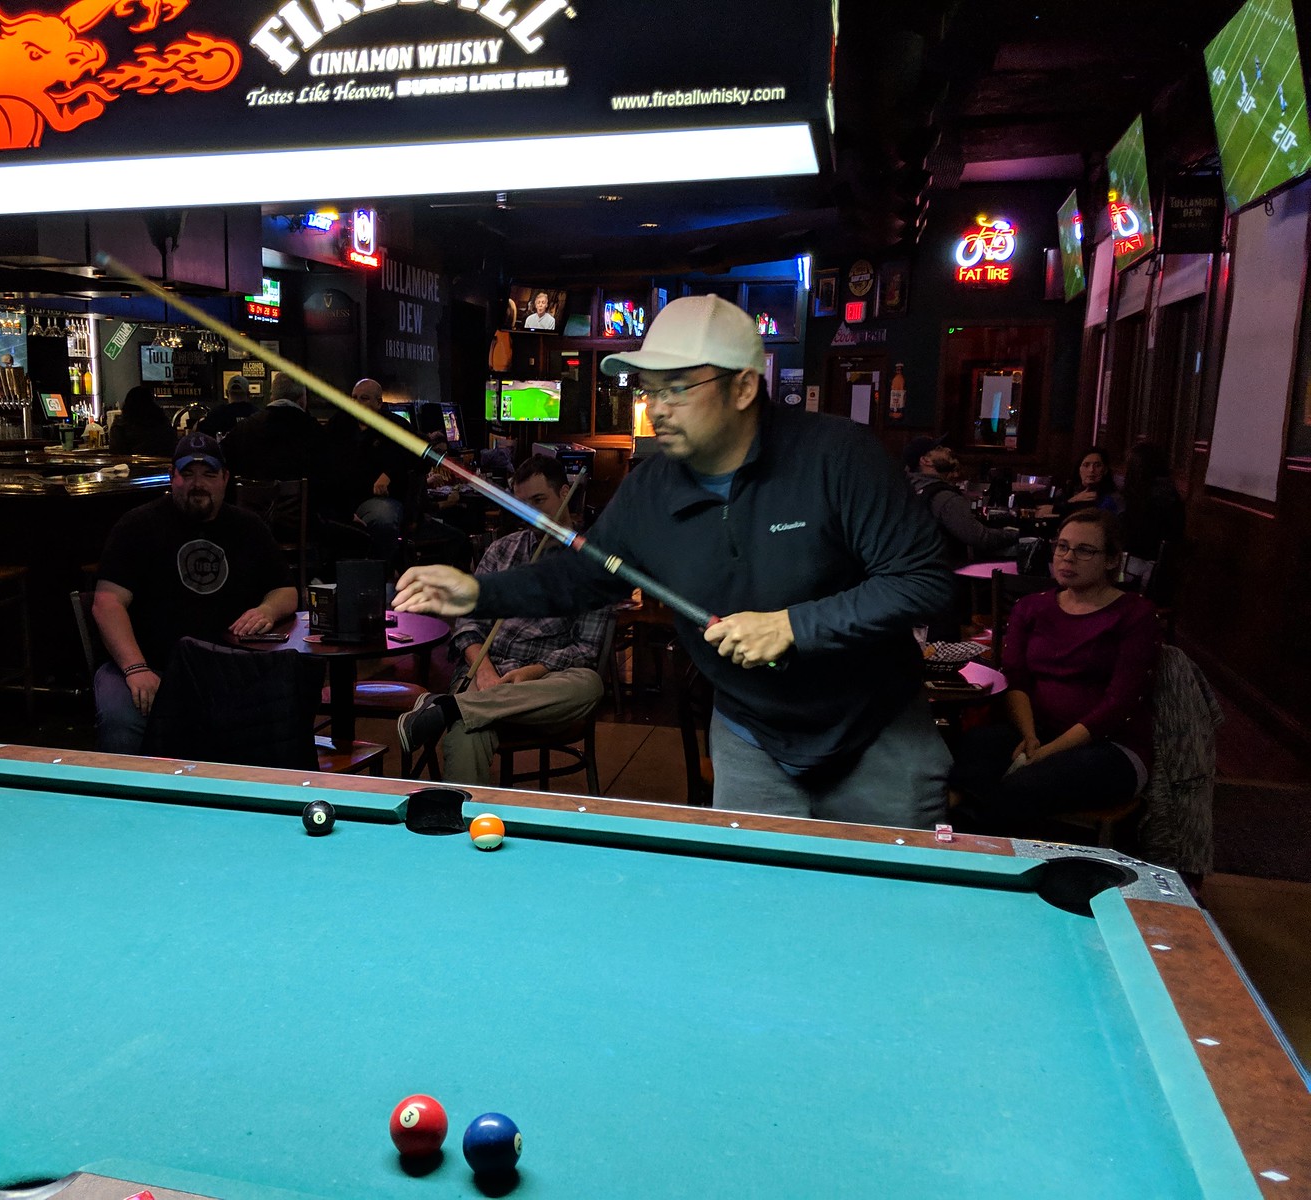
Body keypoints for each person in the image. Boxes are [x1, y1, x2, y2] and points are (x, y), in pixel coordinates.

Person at [394, 295, 955, 829]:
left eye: (678, 388)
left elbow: (924, 581)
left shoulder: (839, 456)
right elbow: (582, 577)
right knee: (755, 891)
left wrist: (792, 626)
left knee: (893, 894)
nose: (656, 408)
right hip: (752, 736)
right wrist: (478, 593)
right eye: (649, 389)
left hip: (876, 730)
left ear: (744, 387)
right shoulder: (650, 490)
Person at [396, 455, 610, 783]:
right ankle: (461, 812)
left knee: (589, 685)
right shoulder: (502, 550)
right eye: (522, 504)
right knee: (467, 731)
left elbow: (586, 649)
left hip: (543, 685)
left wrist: (531, 672)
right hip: (485, 672)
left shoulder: (592, 563)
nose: (530, 513)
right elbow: (468, 624)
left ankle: (448, 708)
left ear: (565, 493)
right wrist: (485, 672)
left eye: (539, 500)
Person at [948, 509, 1160, 836]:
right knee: (973, 750)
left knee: (1020, 788)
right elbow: (1016, 677)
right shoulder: (1031, 606)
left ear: (1111, 560)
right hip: (1037, 732)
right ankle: (958, 841)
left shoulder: (1135, 614)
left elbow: (1119, 704)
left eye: (1084, 550)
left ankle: (991, 850)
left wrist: (1047, 752)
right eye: (1062, 546)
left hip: (1111, 745)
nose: (1068, 558)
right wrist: (1030, 736)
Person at [91, 433, 299, 754]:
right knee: (122, 719)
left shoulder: (249, 527)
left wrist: (268, 610)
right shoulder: (137, 525)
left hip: (228, 670)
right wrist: (135, 668)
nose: (197, 484)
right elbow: (106, 603)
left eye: (209, 474)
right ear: (171, 476)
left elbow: (286, 590)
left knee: (280, 711)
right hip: (149, 666)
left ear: (225, 478)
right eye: (187, 474)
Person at [905, 436, 1017, 640]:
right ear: (925, 460)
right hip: (944, 585)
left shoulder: (904, 489)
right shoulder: (944, 497)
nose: (947, 450)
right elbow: (979, 537)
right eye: (939, 448)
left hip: (911, 583)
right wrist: (1015, 535)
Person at [329, 378, 418, 565]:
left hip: (378, 499)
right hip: (342, 499)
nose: (356, 403)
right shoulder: (340, 422)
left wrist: (389, 474)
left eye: (364, 398)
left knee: (382, 518)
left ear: (379, 403)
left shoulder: (396, 425)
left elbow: (416, 454)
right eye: (354, 398)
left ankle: (381, 573)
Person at [221, 373, 328, 509]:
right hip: (300, 518)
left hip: (250, 517)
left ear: (272, 397)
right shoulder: (315, 431)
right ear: (302, 399)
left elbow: (224, 465)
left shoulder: (243, 429)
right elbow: (327, 481)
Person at [1119, 441, 1186, 569]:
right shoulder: (1170, 493)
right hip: (1162, 567)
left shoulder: (1147, 498)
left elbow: (1132, 540)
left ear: (1137, 470)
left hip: (1137, 567)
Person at [107, 384, 178, 458]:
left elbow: (116, 455)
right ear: (152, 403)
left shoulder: (120, 426)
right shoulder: (162, 422)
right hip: (163, 464)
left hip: (129, 464)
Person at [1054, 445, 1118, 518]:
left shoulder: (1113, 497)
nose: (1091, 470)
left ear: (1105, 470)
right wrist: (1072, 502)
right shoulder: (1066, 491)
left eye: (1097, 465)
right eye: (1086, 465)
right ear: (1079, 469)